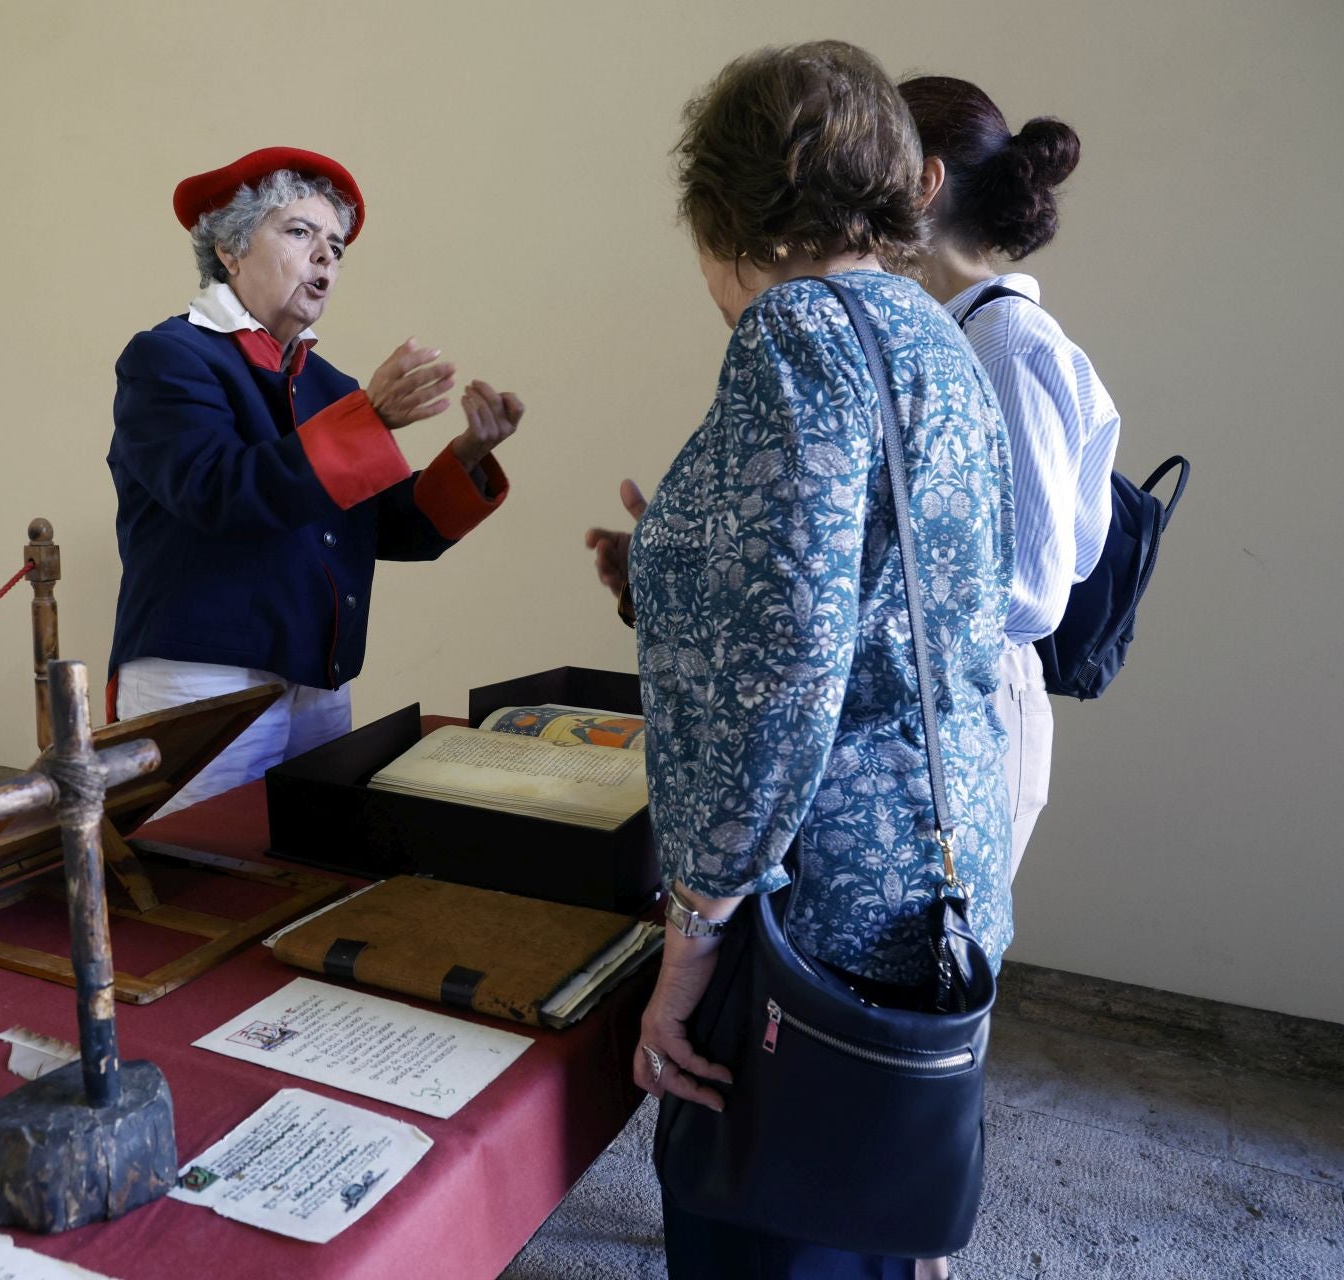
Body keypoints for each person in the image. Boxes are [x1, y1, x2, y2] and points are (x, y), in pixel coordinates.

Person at [586, 43, 1014, 1279]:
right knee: (864, 1212)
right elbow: (904, 596)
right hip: (938, 863)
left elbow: (783, 673)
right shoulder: (931, 338)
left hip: (811, 904)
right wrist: (668, 553)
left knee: (775, 1228)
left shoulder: (795, 336)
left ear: (725, 212)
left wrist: (697, 930)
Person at [108, 147, 522, 811]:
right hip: (203, 674)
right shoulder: (169, 357)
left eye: (335, 244)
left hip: (319, 675)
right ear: (229, 248)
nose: (326, 256)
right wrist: (371, 422)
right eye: (299, 233)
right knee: (202, 877)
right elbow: (219, 491)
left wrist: (468, 455)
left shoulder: (333, 388)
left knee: (311, 870)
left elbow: (384, 524)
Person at [900, 76, 1122, 880]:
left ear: (921, 181)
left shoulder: (1004, 342)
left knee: (949, 978)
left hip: (983, 703)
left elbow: (1032, 588)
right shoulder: (956, 333)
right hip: (950, 697)